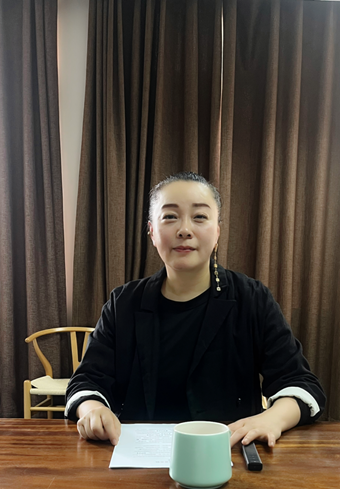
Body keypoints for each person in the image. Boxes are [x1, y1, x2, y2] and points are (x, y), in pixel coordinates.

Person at [65, 172, 325, 447]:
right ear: (152, 232)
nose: (184, 230)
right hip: (135, 453)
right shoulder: (124, 303)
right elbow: (87, 381)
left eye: (200, 217)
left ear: (217, 232)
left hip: (229, 451)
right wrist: (93, 410)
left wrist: (271, 419)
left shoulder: (252, 298)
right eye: (170, 217)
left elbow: (299, 382)